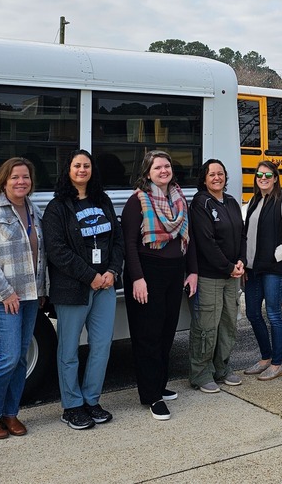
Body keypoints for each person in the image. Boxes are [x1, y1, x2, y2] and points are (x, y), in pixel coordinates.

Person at [43, 150, 123, 430]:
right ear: (68, 170)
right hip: (73, 289)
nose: (81, 170)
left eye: (86, 166)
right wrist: (90, 276)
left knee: (101, 346)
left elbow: (118, 240)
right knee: (69, 349)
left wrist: (112, 271)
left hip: (105, 286)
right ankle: (72, 406)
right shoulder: (58, 207)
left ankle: (92, 400)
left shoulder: (103, 201)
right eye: (77, 165)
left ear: (92, 170)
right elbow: (57, 250)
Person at [0, 157, 47, 439]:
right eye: (15, 177)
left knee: (21, 359)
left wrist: (41, 291)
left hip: (29, 296)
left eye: (25, 177)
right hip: (2, 298)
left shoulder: (33, 211)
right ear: (4, 180)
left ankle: (10, 413)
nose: (21, 182)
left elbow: (41, 256)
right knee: (8, 356)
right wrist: (6, 292)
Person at [122, 150, 198, 421]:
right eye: (158, 167)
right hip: (147, 273)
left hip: (174, 272)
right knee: (148, 336)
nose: (164, 171)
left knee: (167, 332)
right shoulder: (137, 201)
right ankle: (152, 396)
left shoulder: (178, 199)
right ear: (147, 172)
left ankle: (158, 385)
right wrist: (137, 278)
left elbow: (187, 239)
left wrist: (192, 272)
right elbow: (129, 244)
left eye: (167, 166)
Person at [188, 159, 246, 393]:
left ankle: (221, 368)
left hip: (233, 275)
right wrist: (228, 266)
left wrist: (241, 261)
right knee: (206, 327)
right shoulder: (200, 204)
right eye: (211, 174)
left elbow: (242, 234)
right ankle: (200, 374)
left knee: (228, 324)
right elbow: (206, 242)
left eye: (220, 173)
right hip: (211, 276)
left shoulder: (231, 202)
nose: (217, 178)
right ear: (204, 179)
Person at [243, 161, 282, 381]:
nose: (263, 178)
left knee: (274, 315)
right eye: (259, 174)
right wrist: (247, 261)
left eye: (268, 174)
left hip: (275, 268)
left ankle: (277, 363)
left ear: (275, 178)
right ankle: (265, 358)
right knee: (252, 313)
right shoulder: (254, 200)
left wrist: (274, 255)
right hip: (253, 268)